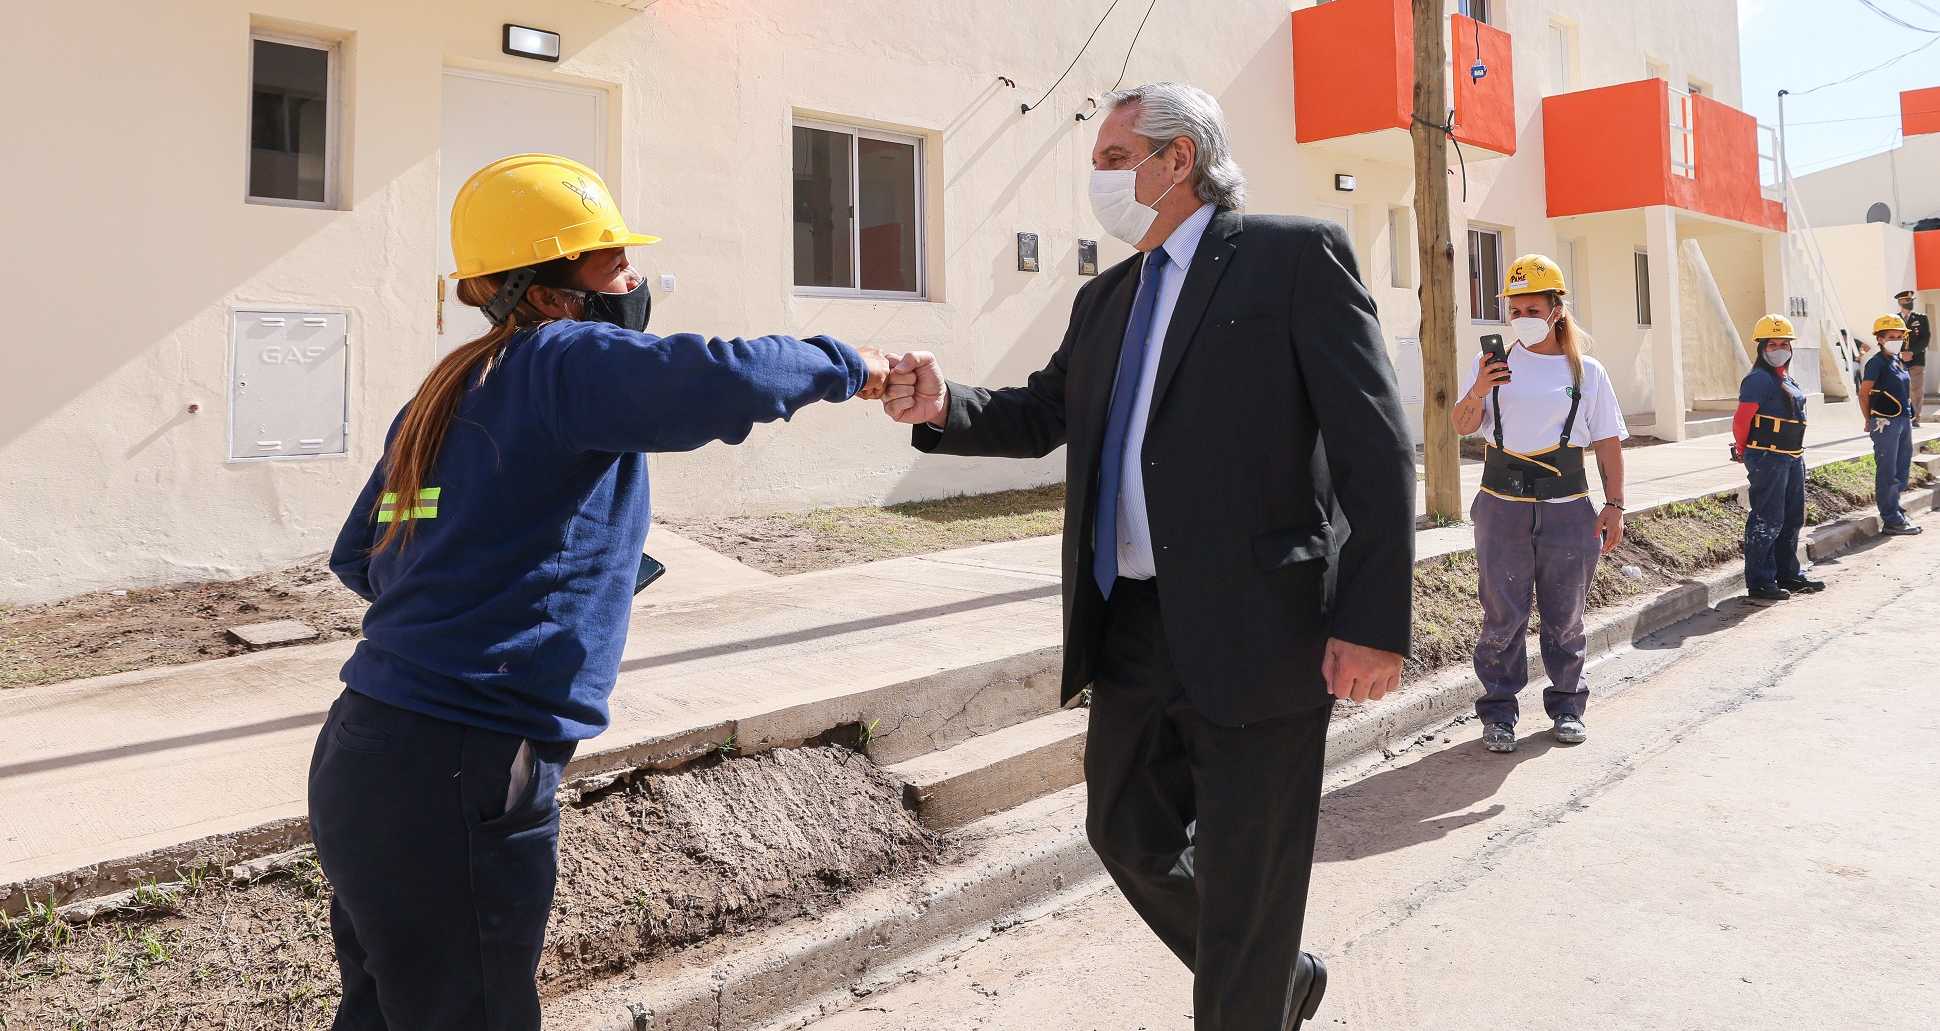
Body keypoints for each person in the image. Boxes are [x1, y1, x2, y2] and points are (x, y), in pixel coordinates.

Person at [309, 154, 890, 1029]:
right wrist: (857, 366)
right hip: (459, 761)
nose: (635, 278)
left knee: (389, 1011)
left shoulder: (446, 390)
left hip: (368, 751)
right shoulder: (564, 359)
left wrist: (519, 562)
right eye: (610, 261)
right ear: (545, 292)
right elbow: (725, 376)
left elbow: (365, 557)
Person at [880, 83, 1415, 1029]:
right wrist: (941, 404)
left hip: (1264, 625)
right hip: (1132, 620)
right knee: (1123, 831)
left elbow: (1374, 447)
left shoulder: (1291, 257)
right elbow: (1047, 413)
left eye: (1117, 159)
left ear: (1181, 161)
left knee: (1249, 877)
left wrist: (1371, 624)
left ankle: (1251, 984)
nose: (1100, 179)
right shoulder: (1107, 296)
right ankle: (1271, 975)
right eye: (1097, 161)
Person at [1452, 255, 1626, 754]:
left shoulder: (1587, 371)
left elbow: (1609, 441)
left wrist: (1614, 503)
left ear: (1556, 308)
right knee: (1502, 614)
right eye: (1515, 307)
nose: (1522, 315)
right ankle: (1500, 712)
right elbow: (1463, 426)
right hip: (1501, 506)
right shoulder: (1491, 365)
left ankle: (1568, 705)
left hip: (1567, 508)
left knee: (1565, 613)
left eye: (1532, 306)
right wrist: (1479, 390)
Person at [1731, 314, 1824, 603]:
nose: (1779, 348)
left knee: (1792, 518)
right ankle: (1760, 581)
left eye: (1784, 343)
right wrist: (1743, 449)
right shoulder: (1759, 379)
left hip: (1792, 456)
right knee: (1767, 519)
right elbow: (1741, 419)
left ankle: (1788, 574)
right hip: (1768, 457)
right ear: (1761, 348)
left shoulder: (1784, 376)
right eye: (1772, 344)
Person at [1860, 313, 1923, 537]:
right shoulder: (1876, 362)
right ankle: (1891, 519)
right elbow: (1863, 393)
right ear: (1880, 339)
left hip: (1903, 419)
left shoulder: (1898, 360)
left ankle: (1897, 512)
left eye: (1899, 336)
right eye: (1891, 336)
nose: (1896, 339)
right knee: (1887, 472)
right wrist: (1869, 420)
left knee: (1902, 470)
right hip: (1885, 421)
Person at [1896, 290, 1930, 426]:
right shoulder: (1895, 319)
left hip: (1917, 359)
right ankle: (1902, 415)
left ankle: (1915, 418)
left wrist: (1911, 353)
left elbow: (1925, 339)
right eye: (1908, 301)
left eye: (1912, 301)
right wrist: (1901, 354)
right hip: (1899, 360)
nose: (1911, 303)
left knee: (1916, 389)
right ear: (1900, 303)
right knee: (1900, 387)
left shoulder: (1921, 318)